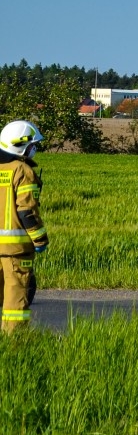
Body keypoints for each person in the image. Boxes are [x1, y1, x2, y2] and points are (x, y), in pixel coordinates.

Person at [0, 121, 48, 334]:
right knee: (15, 300)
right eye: (32, 145)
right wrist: (40, 240)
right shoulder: (22, 170)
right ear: (20, 146)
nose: (34, 149)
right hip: (15, 252)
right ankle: (15, 344)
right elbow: (27, 211)